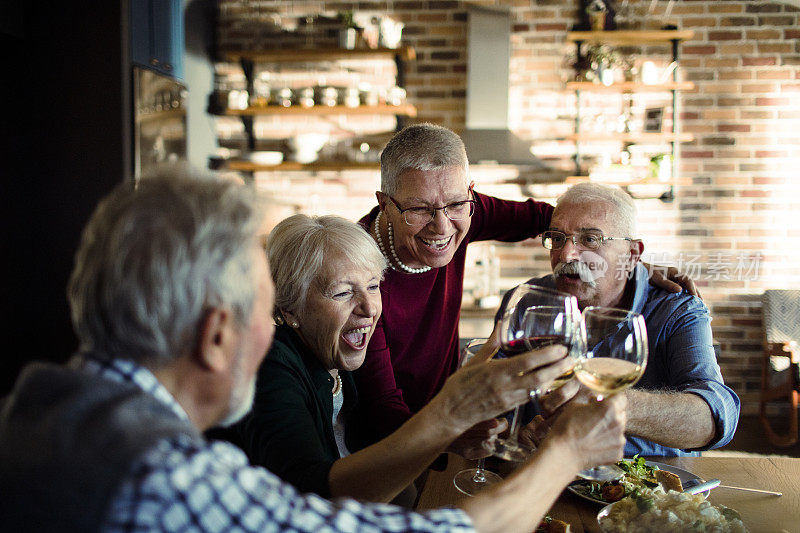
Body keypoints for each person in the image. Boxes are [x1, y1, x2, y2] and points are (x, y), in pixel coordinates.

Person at [0, 172, 627, 533]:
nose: (269, 330)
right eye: (262, 307)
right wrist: (568, 450)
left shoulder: (46, 403)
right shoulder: (157, 474)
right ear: (218, 335)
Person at [355, 123, 698, 445]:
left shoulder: (468, 212)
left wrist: (622, 257)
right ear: (385, 203)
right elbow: (383, 408)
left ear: (469, 194)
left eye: (457, 204)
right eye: (418, 209)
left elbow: (559, 222)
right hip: (391, 440)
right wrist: (449, 434)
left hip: (447, 416)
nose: (442, 226)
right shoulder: (360, 276)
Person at [222, 214, 579, 503]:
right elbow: (315, 496)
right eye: (343, 292)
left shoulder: (334, 356)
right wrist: (450, 419)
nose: (368, 308)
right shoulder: (268, 367)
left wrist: (451, 435)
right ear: (288, 306)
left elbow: (379, 443)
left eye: (374, 285)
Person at [499, 182, 740, 456]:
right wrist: (511, 432)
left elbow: (717, 416)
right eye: (557, 237)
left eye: (590, 239)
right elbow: (493, 401)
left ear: (633, 253)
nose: (566, 254)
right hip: (544, 475)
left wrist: (614, 404)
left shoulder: (677, 309)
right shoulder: (525, 303)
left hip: (649, 483)